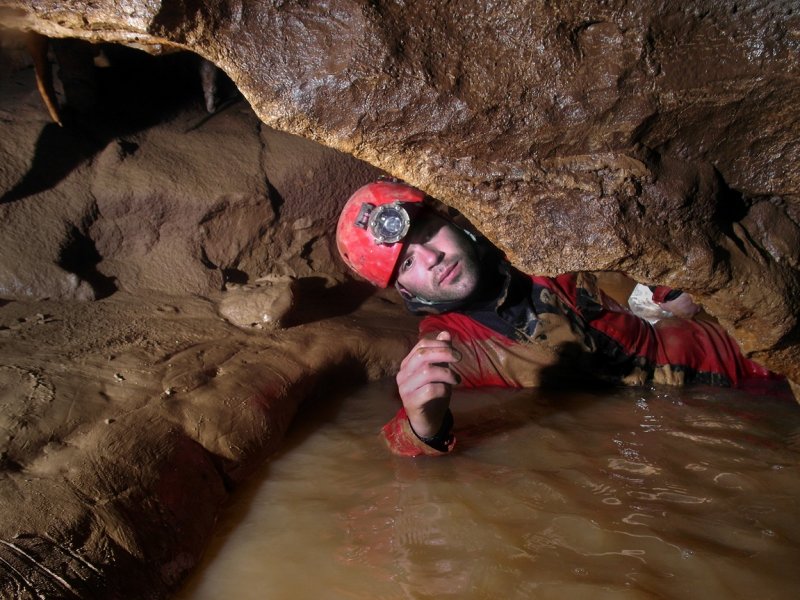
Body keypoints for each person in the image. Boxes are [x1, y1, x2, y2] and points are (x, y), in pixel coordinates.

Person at [336, 179, 776, 457]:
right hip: (696, 434)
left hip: (750, 362)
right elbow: (396, 444)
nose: (432, 258)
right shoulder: (452, 348)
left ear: (452, 222)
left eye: (428, 233)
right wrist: (423, 425)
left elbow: (644, 250)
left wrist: (674, 279)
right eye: (408, 264)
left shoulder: (542, 243)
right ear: (406, 293)